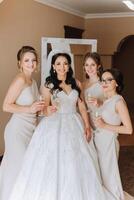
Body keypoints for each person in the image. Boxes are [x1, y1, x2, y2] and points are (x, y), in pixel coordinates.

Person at [9, 51, 119, 200]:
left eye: (65, 63)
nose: (62, 67)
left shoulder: (76, 83)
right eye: (59, 64)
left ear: (69, 66)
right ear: (54, 66)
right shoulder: (48, 84)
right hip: (53, 125)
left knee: (77, 160)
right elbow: (43, 109)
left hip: (75, 123)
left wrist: (87, 126)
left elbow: (81, 107)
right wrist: (48, 110)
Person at [0, 46, 45, 200]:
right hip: (17, 132)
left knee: (26, 168)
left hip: (30, 131)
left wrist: (41, 110)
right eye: (26, 60)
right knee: (17, 168)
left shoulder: (32, 81)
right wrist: (29, 108)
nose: (30, 63)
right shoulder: (20, 79)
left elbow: (34, 109)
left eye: (33, 60)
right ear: (20, 63)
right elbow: (6, 106)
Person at [94, 68, 133, 200]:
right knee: (102, 178)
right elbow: (110, 115)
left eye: (109, 80)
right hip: (100, 143)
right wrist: (99, 105)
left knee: (109, 179)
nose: (104, 83)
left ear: (116, 83)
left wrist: (104, 126)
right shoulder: (107, 99)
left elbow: (128, 129)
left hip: (108, 145)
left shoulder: (118, 102)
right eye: (103, 80)